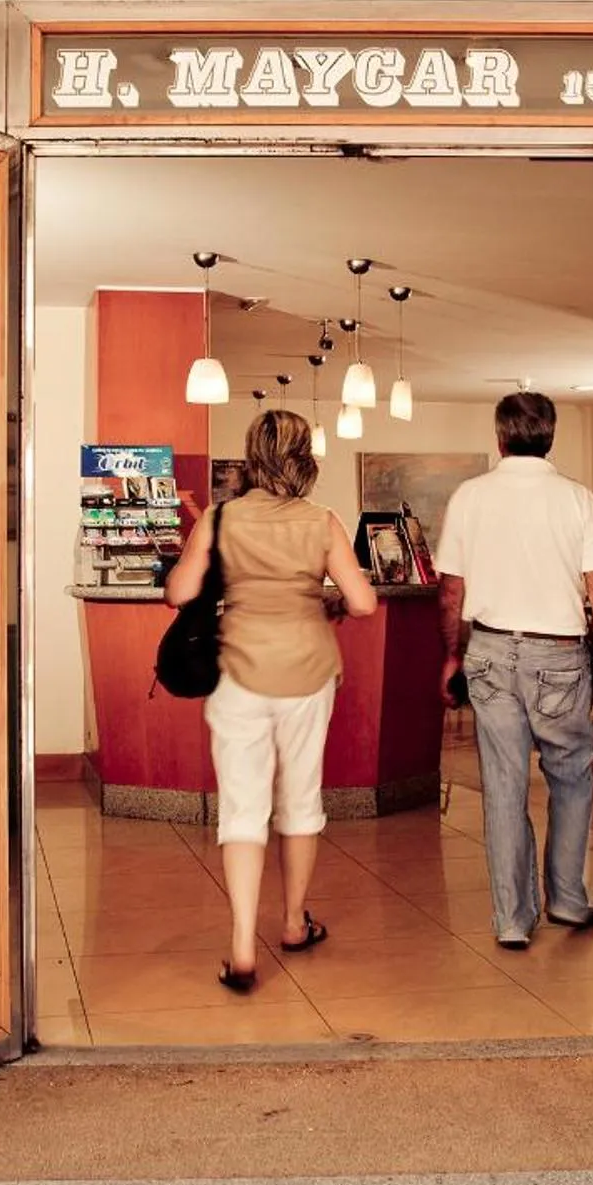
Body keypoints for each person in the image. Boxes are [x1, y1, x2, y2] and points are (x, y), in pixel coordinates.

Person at [165, 409, 380, 992]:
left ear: (251, 455)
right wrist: (322, 599)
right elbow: (362, 603)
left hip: (239, 673)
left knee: (243, 807)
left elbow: (179, 591)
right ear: (304, 457)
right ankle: (291, 923)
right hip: (308, 672)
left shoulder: (221, 516)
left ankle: (240, 947)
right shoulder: (322, 521)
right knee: (300, 798)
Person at [437, 392, 593, 949]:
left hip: (491, 654)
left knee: (503, 785)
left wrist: (452, 655)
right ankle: (567, 899)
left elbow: (451, 590)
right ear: (551, 435)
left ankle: (514, 920)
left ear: (500, 438)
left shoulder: (470, 497)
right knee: (571, 776)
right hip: (559, 658)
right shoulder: (578, 500)